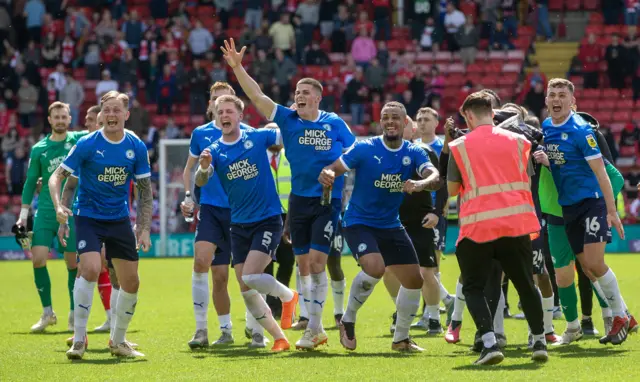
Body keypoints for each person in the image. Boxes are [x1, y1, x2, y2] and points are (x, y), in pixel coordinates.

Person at [221, 38, 356, 350]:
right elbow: (256, 95)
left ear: (319, 99)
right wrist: (238, 67)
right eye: (297, 92)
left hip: (327, 200)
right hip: (298, 201)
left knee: (319, 263)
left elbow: (354, 150)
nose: (299, 96)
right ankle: (315, 329)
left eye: (306, 93)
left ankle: (315, 329)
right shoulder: (287, 118)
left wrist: (334, 169)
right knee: (305, 265)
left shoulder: (333, 122)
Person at [318, 101, 442, 352]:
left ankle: (401, 339)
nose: (390, 122)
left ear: (405, 122)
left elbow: (434, 175)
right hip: (358, 222)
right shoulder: (365, 148)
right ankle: (348, 319)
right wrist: (328, 174)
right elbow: (335, 168)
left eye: (395, 117)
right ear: (380, 122)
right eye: (385, 117)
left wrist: (421, 184)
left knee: (414, 281)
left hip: (390, 225)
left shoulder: (414, 151)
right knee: (375, 267)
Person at [49, 91, 152, 359]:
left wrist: (144, 227)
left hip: (119, 219)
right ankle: (79, 340)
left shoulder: (137, 146)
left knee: (131, 282)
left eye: (117, 110)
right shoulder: (86, 143)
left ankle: (118, 342)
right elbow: (57, 177)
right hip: (89, 216)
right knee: (91, 268)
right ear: (101, 113)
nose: (111, 115)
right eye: (107, 110)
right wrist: (60, 206)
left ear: (126, 115)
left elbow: (144, 190)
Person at [448, 91, 547, 365]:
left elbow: (453, 188)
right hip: (516, 223)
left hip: (478, 228)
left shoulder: (459, 146)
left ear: (467, 116)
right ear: (493, 113)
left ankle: (490, 343)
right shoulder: (520, 141)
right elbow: (527, 178)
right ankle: (539, 341)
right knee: (526, 284)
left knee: (474, 287)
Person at [194, 94, 298, 353]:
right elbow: (200, 181)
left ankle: (289, 297)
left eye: (230, 111)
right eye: (221, 112)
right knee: (245, 286)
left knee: (251, 276)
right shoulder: (215, 150)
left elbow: (287, 135)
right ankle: (279, 337)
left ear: (240, 116)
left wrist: (293, 117)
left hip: (267, 219)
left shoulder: (257, 137)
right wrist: (204, 167)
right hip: (238, 224)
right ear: (216, 117)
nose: (225, 115)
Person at [534, 79, 630, 345]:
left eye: (561, 94)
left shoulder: (581, 130)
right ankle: (621, 317)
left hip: (592, 202)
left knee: (595, 263)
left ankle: (620, 315)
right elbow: (562, 165)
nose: (556, 98)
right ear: (546, 100)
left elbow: (602, 173)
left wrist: (611, 211)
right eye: (552, 94)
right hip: (568, 208)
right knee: (586, 267)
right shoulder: (546, 128)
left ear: (571, 101)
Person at [181, 82, 262, 349]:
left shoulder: (249, 135)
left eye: (227, 103)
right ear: (211, 106)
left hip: (243, 211)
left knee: (246, 277)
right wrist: (188, 197)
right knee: (207, 267)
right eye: (217, 102)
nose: (222, 109)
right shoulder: (201, 134)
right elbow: (189, 169)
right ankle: (206, 330)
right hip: (212, 210)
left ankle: (255, 328)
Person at [16, 102, 85, 333]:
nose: (60, 120)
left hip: (72, 210)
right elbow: (29, 182)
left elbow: (100, 128)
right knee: (38, 259)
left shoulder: (79, 140)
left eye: (64, 116)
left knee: (72, 263)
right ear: (49, 119)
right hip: (45, 211)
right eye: (56, 117)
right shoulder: (39, 149)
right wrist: (23, 216)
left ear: (69, 118)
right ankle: (48, 313)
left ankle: (74, 315)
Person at [383, 115, 446, 336]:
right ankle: (400, 312)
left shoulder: (424, 153)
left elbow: (441, 183)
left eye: (405, 124)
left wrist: (437, 212)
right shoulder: (383, 153)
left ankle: (434, 317)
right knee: (389, 270)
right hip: (393, 219)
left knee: (427, 272)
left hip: (421, 219)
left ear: (412, 130)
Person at [411, 107, 455, 329]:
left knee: (431, 266)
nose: (422, 122)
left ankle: (432, 313)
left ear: (436, 122)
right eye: (419, 119)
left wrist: (441, 208)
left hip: (434, 212)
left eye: (427, 119)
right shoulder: (414, 147)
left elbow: (446, 181)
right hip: (415, 211)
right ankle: (438, 306)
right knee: (420, 266)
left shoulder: (441, 148)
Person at [264, 122, 296, 319]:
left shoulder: (291, 156)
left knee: (287, 262)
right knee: (265, 264)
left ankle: (281, 302)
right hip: (265, 217)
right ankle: (271, 304)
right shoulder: (258, 159)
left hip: (288, 217)